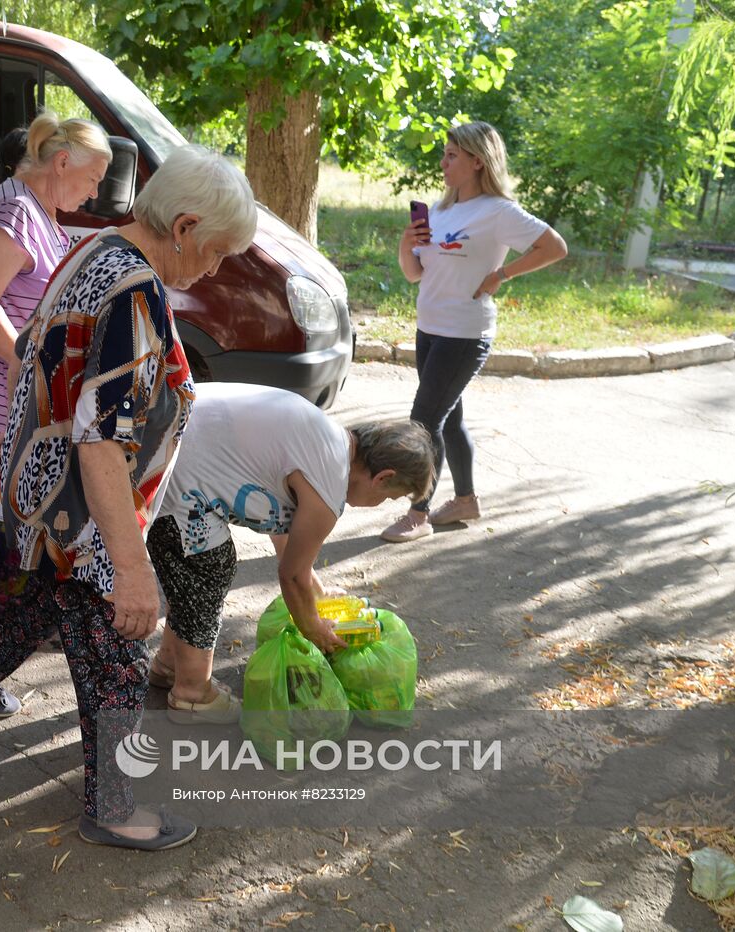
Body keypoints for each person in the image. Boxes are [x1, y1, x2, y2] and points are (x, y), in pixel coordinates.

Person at [0, 145, 257, 851]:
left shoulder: (97, 247)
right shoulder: (134, 291)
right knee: (117, 655)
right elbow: (103, 439)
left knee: (48, 597)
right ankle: (114, 809)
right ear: (185, 224)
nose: (216, 267)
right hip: (84, 517)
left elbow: (44, 361)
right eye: (218, 251)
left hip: (41, 494)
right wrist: (133, 569)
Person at [146, 383, 436, 720]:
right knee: (208, 567)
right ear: (382, 477)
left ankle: (171, 665)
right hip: (170, 469)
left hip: (165, 437)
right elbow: (291, 575)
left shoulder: (329, 442)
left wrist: (317, 591)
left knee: (194, 574)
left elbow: (289, 543)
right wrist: (313, 627)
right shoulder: (328, 483)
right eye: (389, 497)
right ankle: (193, 695)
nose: (381, 504)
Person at [381, 121, 568, 543]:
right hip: (429, 329)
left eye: (451, 156)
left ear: (477, 161)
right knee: (449, 421)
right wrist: (405, 242)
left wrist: (502, 273)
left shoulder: (498, 212)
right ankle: (465, 500)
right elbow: (415, 274)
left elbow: (554, 247)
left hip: (464, 335)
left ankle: (418, 513)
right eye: (444, 154)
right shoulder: (441, 210)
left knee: (424, 423)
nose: (443, 163)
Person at [0, 112, 111, 474]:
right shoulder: (18, 211)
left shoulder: (34, 205)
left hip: (2, 388)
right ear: (63, 163)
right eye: (93, 179)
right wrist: (27, 361)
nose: (95, 192)